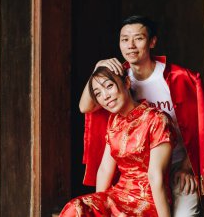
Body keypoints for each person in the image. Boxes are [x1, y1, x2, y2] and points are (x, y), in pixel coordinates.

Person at [79, 15, 204, 216]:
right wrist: (97, 69)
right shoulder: (118, 78)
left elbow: (201, 127)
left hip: (176, 167)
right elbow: (86, 106)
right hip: (135, 176)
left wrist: (187, 166)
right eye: (124, 39)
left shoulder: (178, 78)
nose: (130, 45)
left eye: (138, 38)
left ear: (152, 41)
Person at [60, 66, 175, 217]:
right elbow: (105, 169)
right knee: (75, 208)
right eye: (98, 94)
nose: (105, 96)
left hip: (148, 200)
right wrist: (98, 206)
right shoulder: (114, 121)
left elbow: (156, 176)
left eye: (109, 86)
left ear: (126, 83)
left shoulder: (156, 119)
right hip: (119, 195)